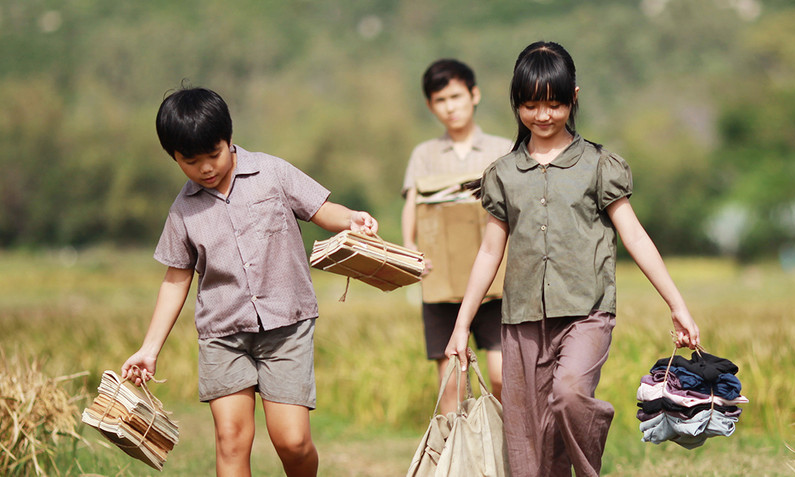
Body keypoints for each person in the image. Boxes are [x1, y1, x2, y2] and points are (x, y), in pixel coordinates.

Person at [444, 41, 701, 477]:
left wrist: (677, 306)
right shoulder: (503, 174)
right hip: (522, 318)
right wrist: (462, 324)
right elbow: (490, 251)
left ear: (573, 98)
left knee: (568, 395)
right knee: (529, 445)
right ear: (516, 103)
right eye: (530, 105)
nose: (542, 116)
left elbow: (634, 235)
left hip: (587, 312)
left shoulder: (599, 165)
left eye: (554, 104)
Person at [121, 87, 378, 477]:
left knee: (293, 442)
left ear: (229, 139)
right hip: (222, 334)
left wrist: (352, 218)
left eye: (214, 154)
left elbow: (321, 210)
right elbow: (176, 280)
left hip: (286, 328)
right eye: (191, 161)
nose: (206, 168)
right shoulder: (182, 211)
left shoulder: (272, 172)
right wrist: (149, 349)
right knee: (231, 440)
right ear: (174, 158)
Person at [401, 59, 511, 414]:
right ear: (431, 106)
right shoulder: (424, 155)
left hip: (496, 286)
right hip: (441, 286)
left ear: (474, 94)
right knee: (450, 383)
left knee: (501, 375)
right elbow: (413, 206)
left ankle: (511, 456)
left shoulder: (502, 149)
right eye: (440, 100)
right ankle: (454, 459)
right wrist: (410, 248)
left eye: (456, 96)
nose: (450, 107)